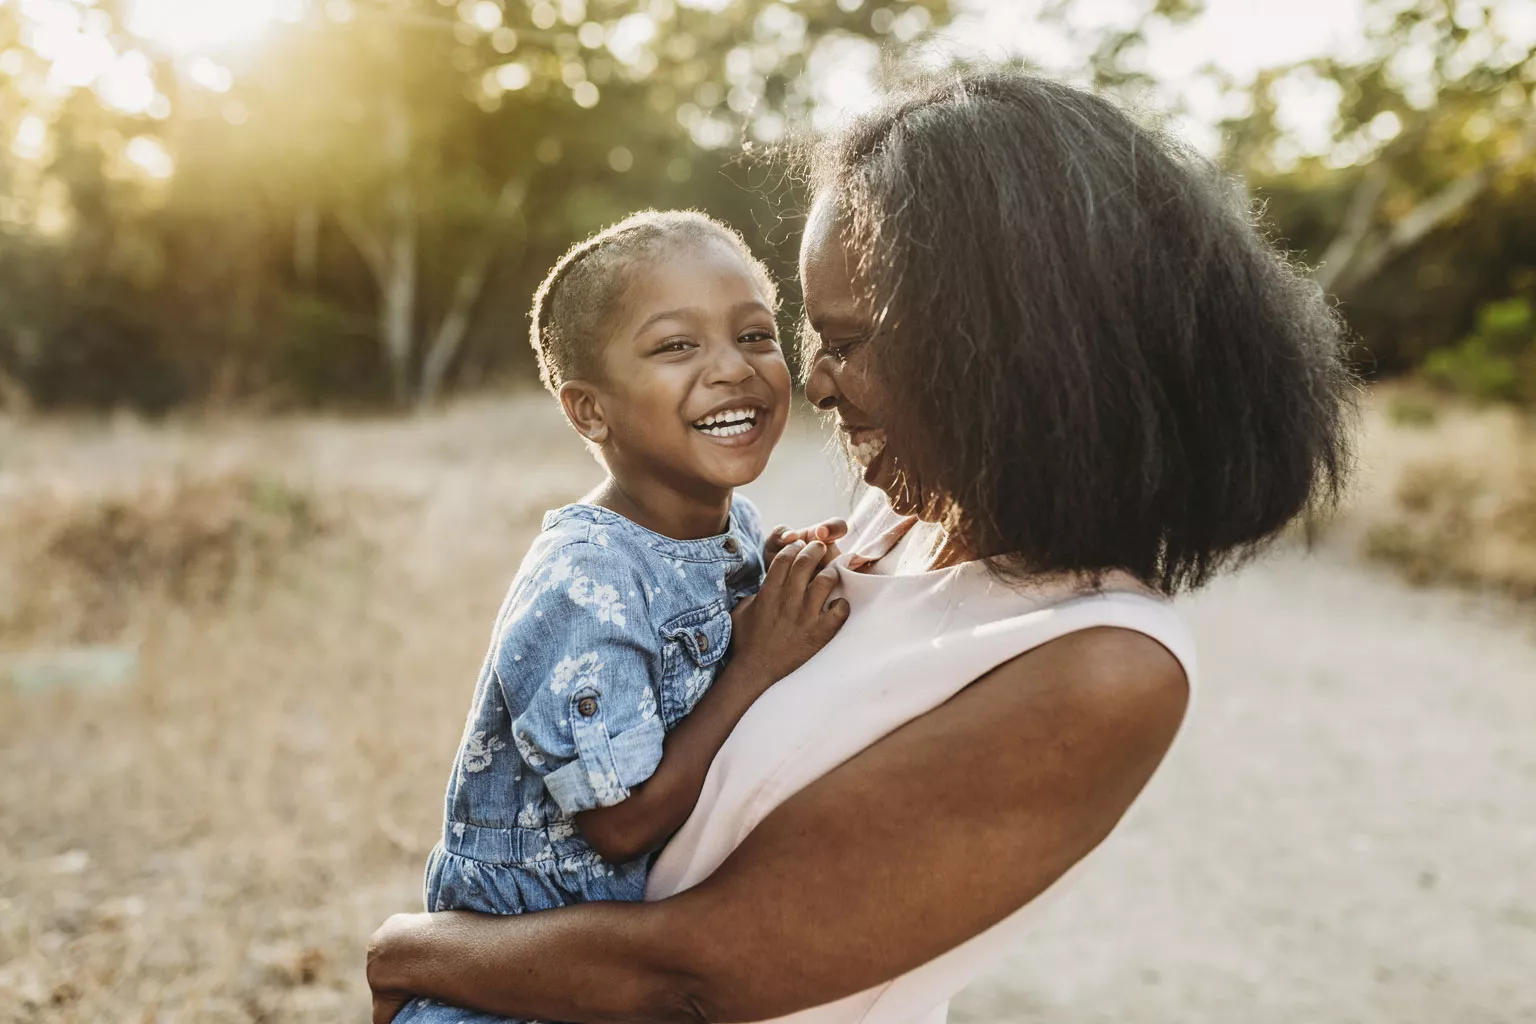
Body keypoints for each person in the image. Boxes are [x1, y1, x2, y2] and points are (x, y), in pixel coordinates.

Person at [368, 69, 1353, 1024]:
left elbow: (700, 978)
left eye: (848, 339)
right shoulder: (902, 521)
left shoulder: (1100, 664)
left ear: (1004, 344)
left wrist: (415, 951)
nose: (820, 383)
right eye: (811, 339)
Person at [392, 209, 853, 1024]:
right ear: (589, 411)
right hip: (512, 990)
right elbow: (620, 822)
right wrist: (756, 663)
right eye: (677, 346)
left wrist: (774, 570)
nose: (731, 370)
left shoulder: (728, 525)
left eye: (754, 334)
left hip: (618, 976)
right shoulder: (586, 579)